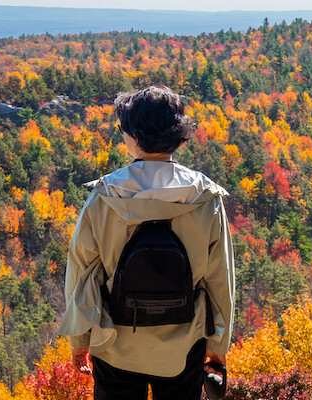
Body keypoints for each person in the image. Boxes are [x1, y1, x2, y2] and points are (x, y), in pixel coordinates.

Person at [57, 86, 234, 399]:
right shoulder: (206, 197)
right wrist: (218, 346)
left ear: (132, 136)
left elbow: (81, 273)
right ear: (180, 136)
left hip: (114, 341)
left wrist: (79, 340)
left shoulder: (103, 197)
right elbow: (220, 279)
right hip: (185, 341)